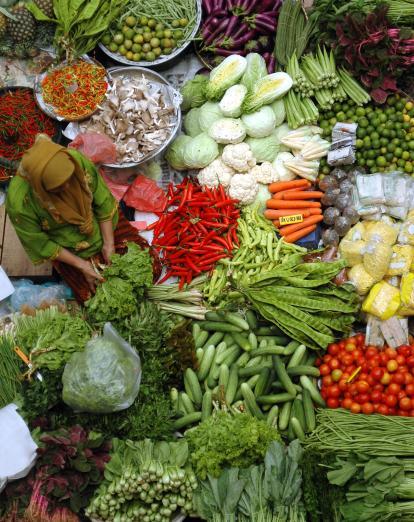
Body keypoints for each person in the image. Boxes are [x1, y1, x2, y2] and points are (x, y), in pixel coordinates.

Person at [6, 134, 158, 303]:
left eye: (71, 181)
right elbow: (42, 244)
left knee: (151, 266)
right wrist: (82, 266)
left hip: (101, 222)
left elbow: (103, 203)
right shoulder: (21, 202)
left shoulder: (75, 162)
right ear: (39, 187)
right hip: (68, 246)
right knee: (94, 297)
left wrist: (109, 244)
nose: (68, 188)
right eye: (58, 189)